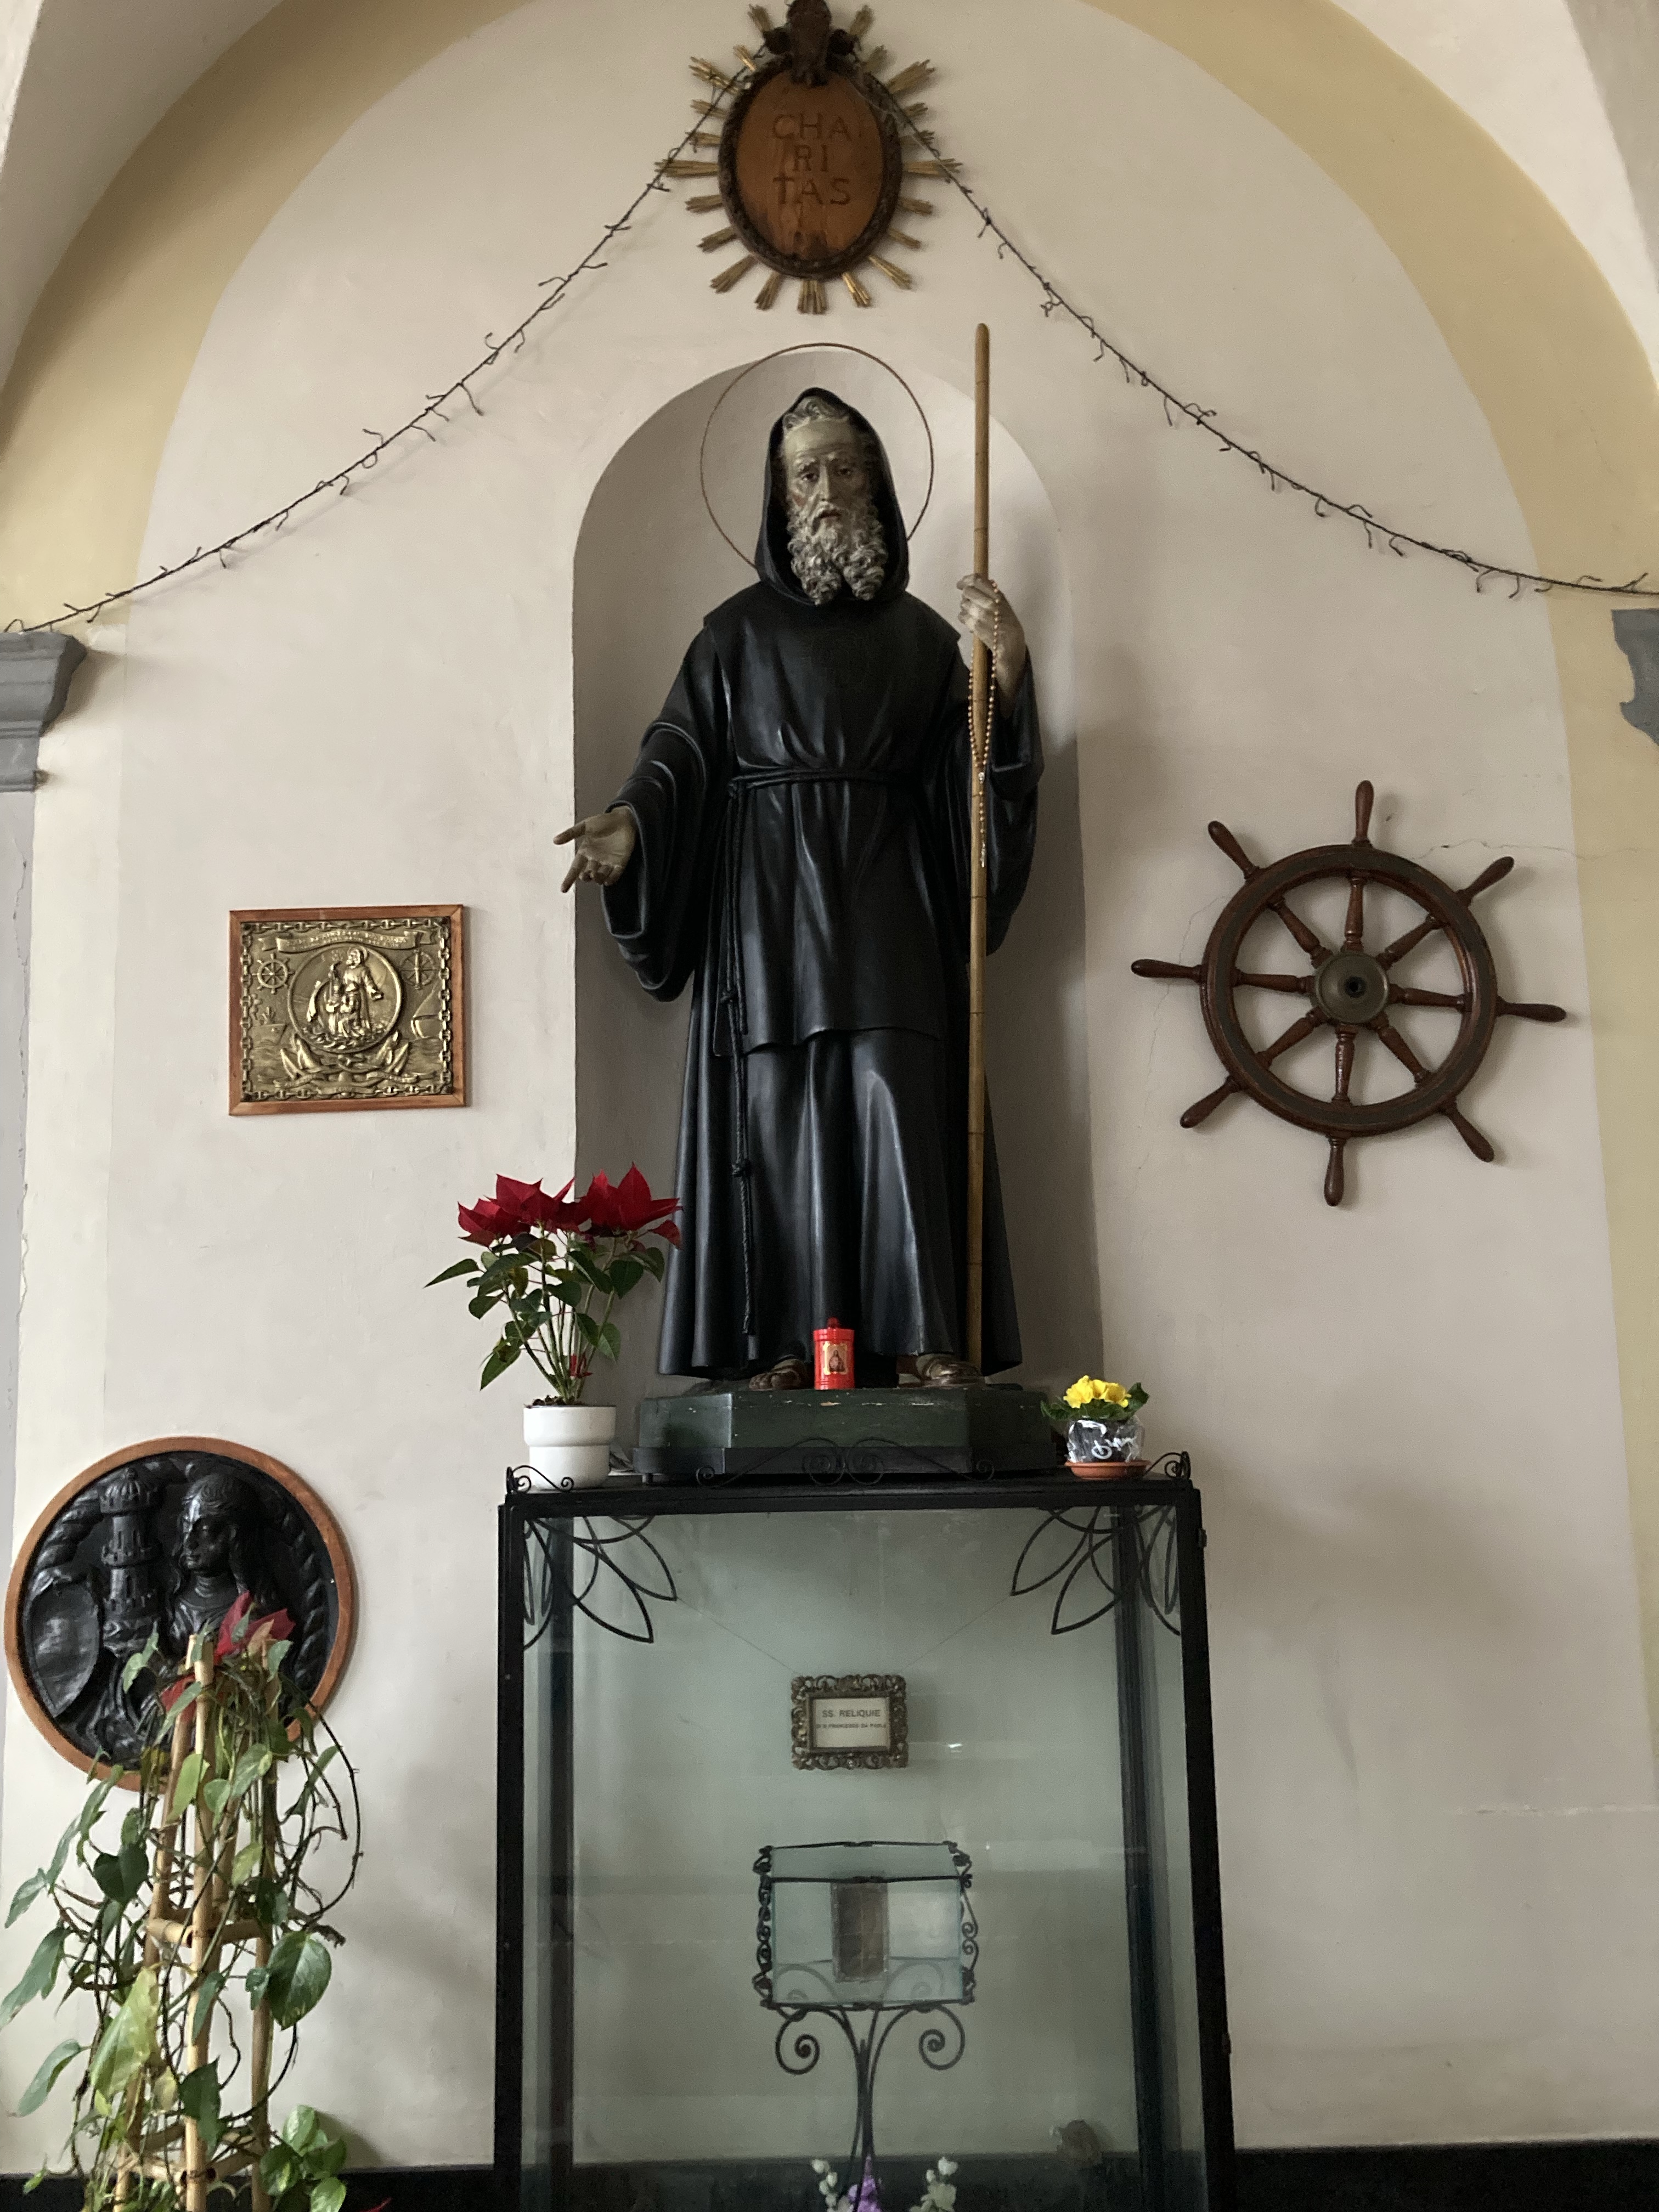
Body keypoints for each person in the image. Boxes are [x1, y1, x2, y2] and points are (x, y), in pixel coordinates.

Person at [558, 388, 1040, 1388]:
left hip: (890, 903)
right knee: (777, 1113)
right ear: (778, 497)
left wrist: (1007, 683)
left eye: (845, 467)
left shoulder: (920, 641)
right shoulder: (730, 637)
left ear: (879, 483)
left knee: (901, 1105)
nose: (827, 489)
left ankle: (925, 1342)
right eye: (805, 472)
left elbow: (971, 779)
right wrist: (633, 824)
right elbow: (678, 755)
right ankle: (780, 1345)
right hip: (766, 909)